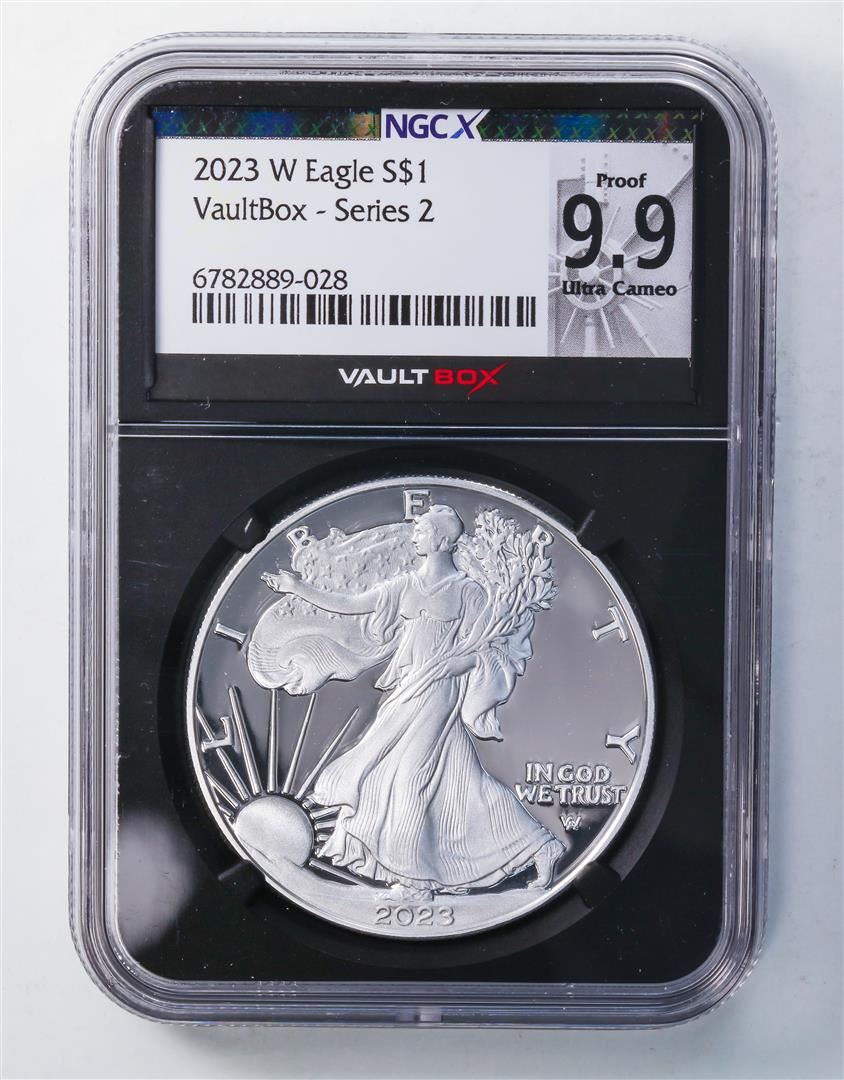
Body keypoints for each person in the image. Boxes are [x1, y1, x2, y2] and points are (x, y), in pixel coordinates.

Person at [264, 504, 564, 900]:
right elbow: (351, 603)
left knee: (408, 778)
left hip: (440, 691)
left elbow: (490, 649)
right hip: (407, 689)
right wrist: (297, 588)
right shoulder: (405, 585)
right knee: (462, 781)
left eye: (421, 531)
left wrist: (461, 662)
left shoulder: (469, 592)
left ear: (440, 540)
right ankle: (541, 846)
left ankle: (416, 882)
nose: (415, 536)